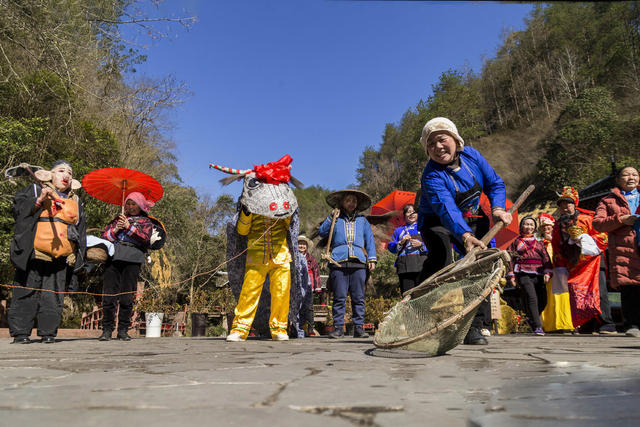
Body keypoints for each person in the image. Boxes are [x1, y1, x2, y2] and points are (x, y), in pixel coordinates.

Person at [417, 117, 512, 345]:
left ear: (455, 139)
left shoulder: (472, 155)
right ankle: (420, 305)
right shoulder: (431, 176)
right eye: (431, 144)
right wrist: (465, 236)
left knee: (478, 267)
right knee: (442, 258)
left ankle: (473, 327)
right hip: (437, 221)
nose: (438, 147)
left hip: (473, 217)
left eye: (442, 140)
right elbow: (446, 210)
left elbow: (495, 184)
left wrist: (498, 208)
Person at [8, 160, 86, 344]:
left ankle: (48, 333)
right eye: (61, 171)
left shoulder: (76, 201)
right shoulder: (35, 190)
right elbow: (18, 212)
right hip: (33, 252)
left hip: (60, 255)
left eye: (70, 172)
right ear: (49, 174)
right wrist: (39, 201)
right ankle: (20, 334)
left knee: (54, 296)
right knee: (26, 291)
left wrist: (77, 252)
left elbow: (80, 229)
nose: (66, 175)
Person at [552, 186, 616, 334]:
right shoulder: (557, 225)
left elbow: (603, 237)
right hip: (573, 265)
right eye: (561, 205)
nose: (565, 208)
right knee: (578, 294)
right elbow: (557, 248)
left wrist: (583, 238)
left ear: (575, 204)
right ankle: (587, 323)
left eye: (568, 204)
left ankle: (606, 323)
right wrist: (560, 266)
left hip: (592, 262)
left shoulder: (587, 218)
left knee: (598, 292)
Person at [318, 190, 376, 339]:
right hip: (338, 262)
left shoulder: (363, 221)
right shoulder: (336, 218)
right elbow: (322, 232)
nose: (351, 203)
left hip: (358, 262)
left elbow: (369, 240)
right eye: (348, 200)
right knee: (339, 296)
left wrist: (372, 259)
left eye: (354, 201)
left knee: (358, 297)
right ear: (342, 202)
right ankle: (338, 328)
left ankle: (358, 328)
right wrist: (331, 217)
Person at [99, 192, 155, 341]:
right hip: (114, 256)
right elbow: (104, 237)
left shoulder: (146, 222)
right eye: (128, 204)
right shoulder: (117, 220)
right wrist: (116, 229)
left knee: (127, 295)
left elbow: (145, 239)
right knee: (109, 294)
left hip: (133, 257)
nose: (130, 207)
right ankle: (107, 329)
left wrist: (129, 227)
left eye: (133, 204)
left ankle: (123, 329)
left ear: (140, 206)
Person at [593, 166, 640, 336]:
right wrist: (621, 219)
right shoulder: (608, 200)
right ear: (618, 180)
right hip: (624, 249)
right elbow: (598, 224)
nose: (631, 177)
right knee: (630, 287)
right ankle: (633, 325)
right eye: (626, 174)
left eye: (635, 174)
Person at [507, 216, 552, 335]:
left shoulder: (539, 242)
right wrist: (511, 275)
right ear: (521, 226)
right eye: (526, 224)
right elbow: (510, 259)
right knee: (532, 297)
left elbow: (545, 257)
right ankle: (538, 326)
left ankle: (532, 318)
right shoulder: (515, 241)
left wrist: (547, 272)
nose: (529, 227)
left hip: (539, 272)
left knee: (543, 300)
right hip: (523, 272)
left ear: (535, 227)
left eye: (531, 225)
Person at [539, 213, 574, 333]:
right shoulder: (540, 243)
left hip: (561, 270)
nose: (546, 228)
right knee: (550, 299)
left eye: (548, 226)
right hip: (547, 273)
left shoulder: (560, 239)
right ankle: (550, 325)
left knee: (563, 296)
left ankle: (565, 323)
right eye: (543, 227)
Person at [387, 204, 428, 294]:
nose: (411, 214)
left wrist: (421, 245)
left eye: (414, 212)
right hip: (405, 267)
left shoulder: (424, 228)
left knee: (423, 294)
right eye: (408, 212)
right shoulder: (399, 231)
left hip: (422, 265)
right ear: (404, 215)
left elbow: (432, 245)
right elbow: (391, 247)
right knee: (407, 295)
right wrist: (401, 242)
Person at [295, 236, 317, 337]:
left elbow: (316, 272)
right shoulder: (293, 256)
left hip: (309, 285)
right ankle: (296, 328)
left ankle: (310, 328)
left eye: (304, 244)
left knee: (308, 307)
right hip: (297, 286)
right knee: (297, 307)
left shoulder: (311, 258)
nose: (302, 246)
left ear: (307, 246)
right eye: (300, 243)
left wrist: (317, 286)